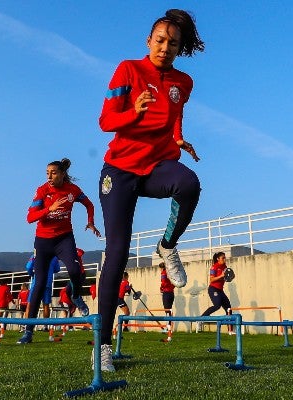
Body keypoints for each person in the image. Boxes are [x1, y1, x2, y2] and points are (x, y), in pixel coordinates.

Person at [96, 9, 205, 371]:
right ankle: (102, 346)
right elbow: (106, 121)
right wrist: (135, 113)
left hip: (156, 165)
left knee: (189, 183)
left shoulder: (183, 82)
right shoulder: (128, 70)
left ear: (180, 48)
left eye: (173, 43)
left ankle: (167, 246)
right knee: (117, 254)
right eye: (160, 40)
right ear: (148, 41)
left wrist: (178, 138)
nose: (165, 47)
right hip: (120, 169)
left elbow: (175, 113)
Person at [18, 158, 101, 344]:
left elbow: (89, 204)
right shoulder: (42, 191)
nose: (49, 176)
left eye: (53, 172)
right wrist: (48, 209)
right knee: (38, 285)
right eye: (47, 173)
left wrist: (90, 221)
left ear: (62, 173)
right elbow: (30, 217)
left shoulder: (73, 190)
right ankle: (28, 331)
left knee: (75, 271)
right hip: (43, 241)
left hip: (64, 239)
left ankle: (77, 296)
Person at [25, 255, 60, 331]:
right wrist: (50, 270)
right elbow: (57, 269)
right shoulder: (54, 257)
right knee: (46, 304)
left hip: (37, 282)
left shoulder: (35, 254)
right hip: (48, 282)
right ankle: (45, 326)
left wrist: (32, 274)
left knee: (30, 304)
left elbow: (28, 267)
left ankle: (27, 326)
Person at [199, 252, 232, 331]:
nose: (224, 259)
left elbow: (225, 278)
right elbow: (212, 279)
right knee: (217, 305)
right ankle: (201, 318)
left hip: (220, 290)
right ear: (218, 259)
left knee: (229, 309)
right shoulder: (214, 267)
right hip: (213, 289)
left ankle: (230, 331)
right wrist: (221, 276)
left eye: (225, 257)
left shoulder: (225, 267)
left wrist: (229, 278)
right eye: (223, 258)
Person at [159, 262, 175, 331]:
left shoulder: (163, 273)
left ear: (161, 268)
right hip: (171, 293)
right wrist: (171, 287)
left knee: (167, 311)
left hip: (166, 293)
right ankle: (169, 327)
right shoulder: (170, 273)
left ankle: (167, 328)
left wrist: (161, 288)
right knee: (170, 310)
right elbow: (174, 283)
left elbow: (163, 282)